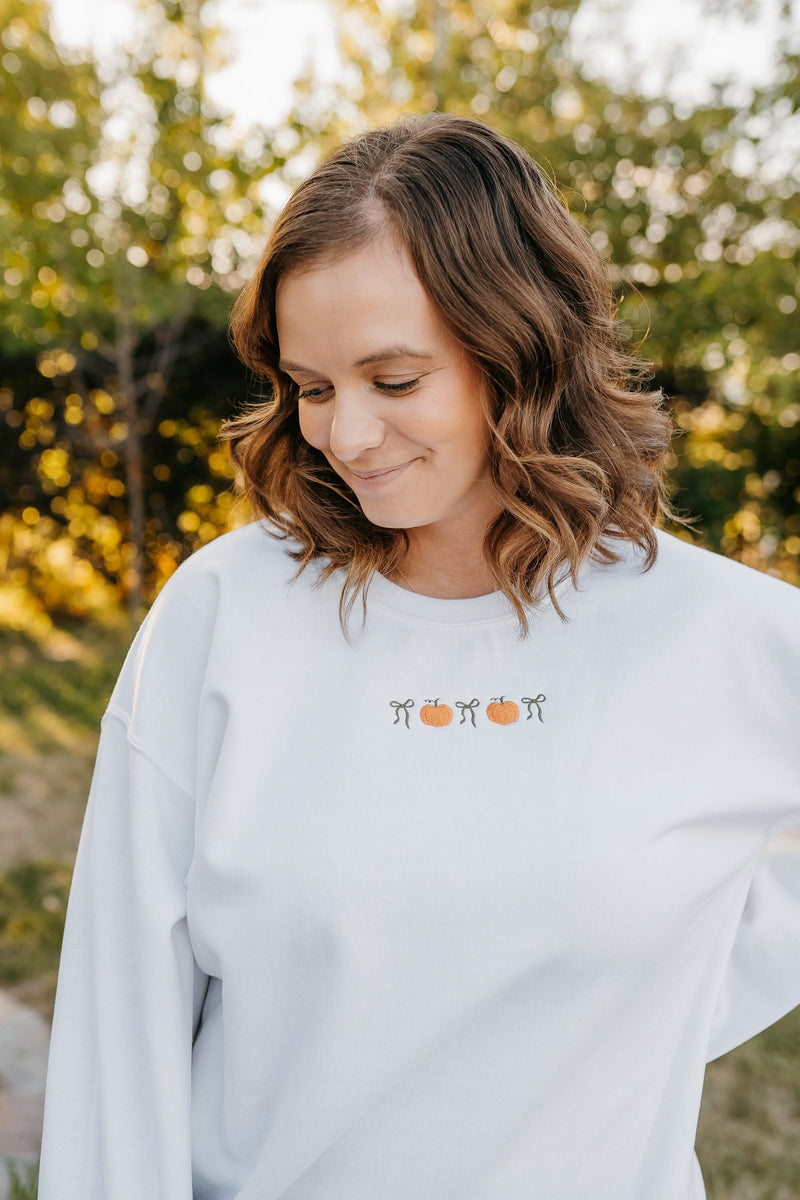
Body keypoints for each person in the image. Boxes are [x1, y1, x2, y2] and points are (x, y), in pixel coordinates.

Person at [38, 113, 800, 1200]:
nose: (345, 436)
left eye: (392, 381)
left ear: (518, 351)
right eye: (311, 387)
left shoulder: (722, 635)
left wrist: (657, 1004)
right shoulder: (223, 615)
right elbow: (123, 1031)